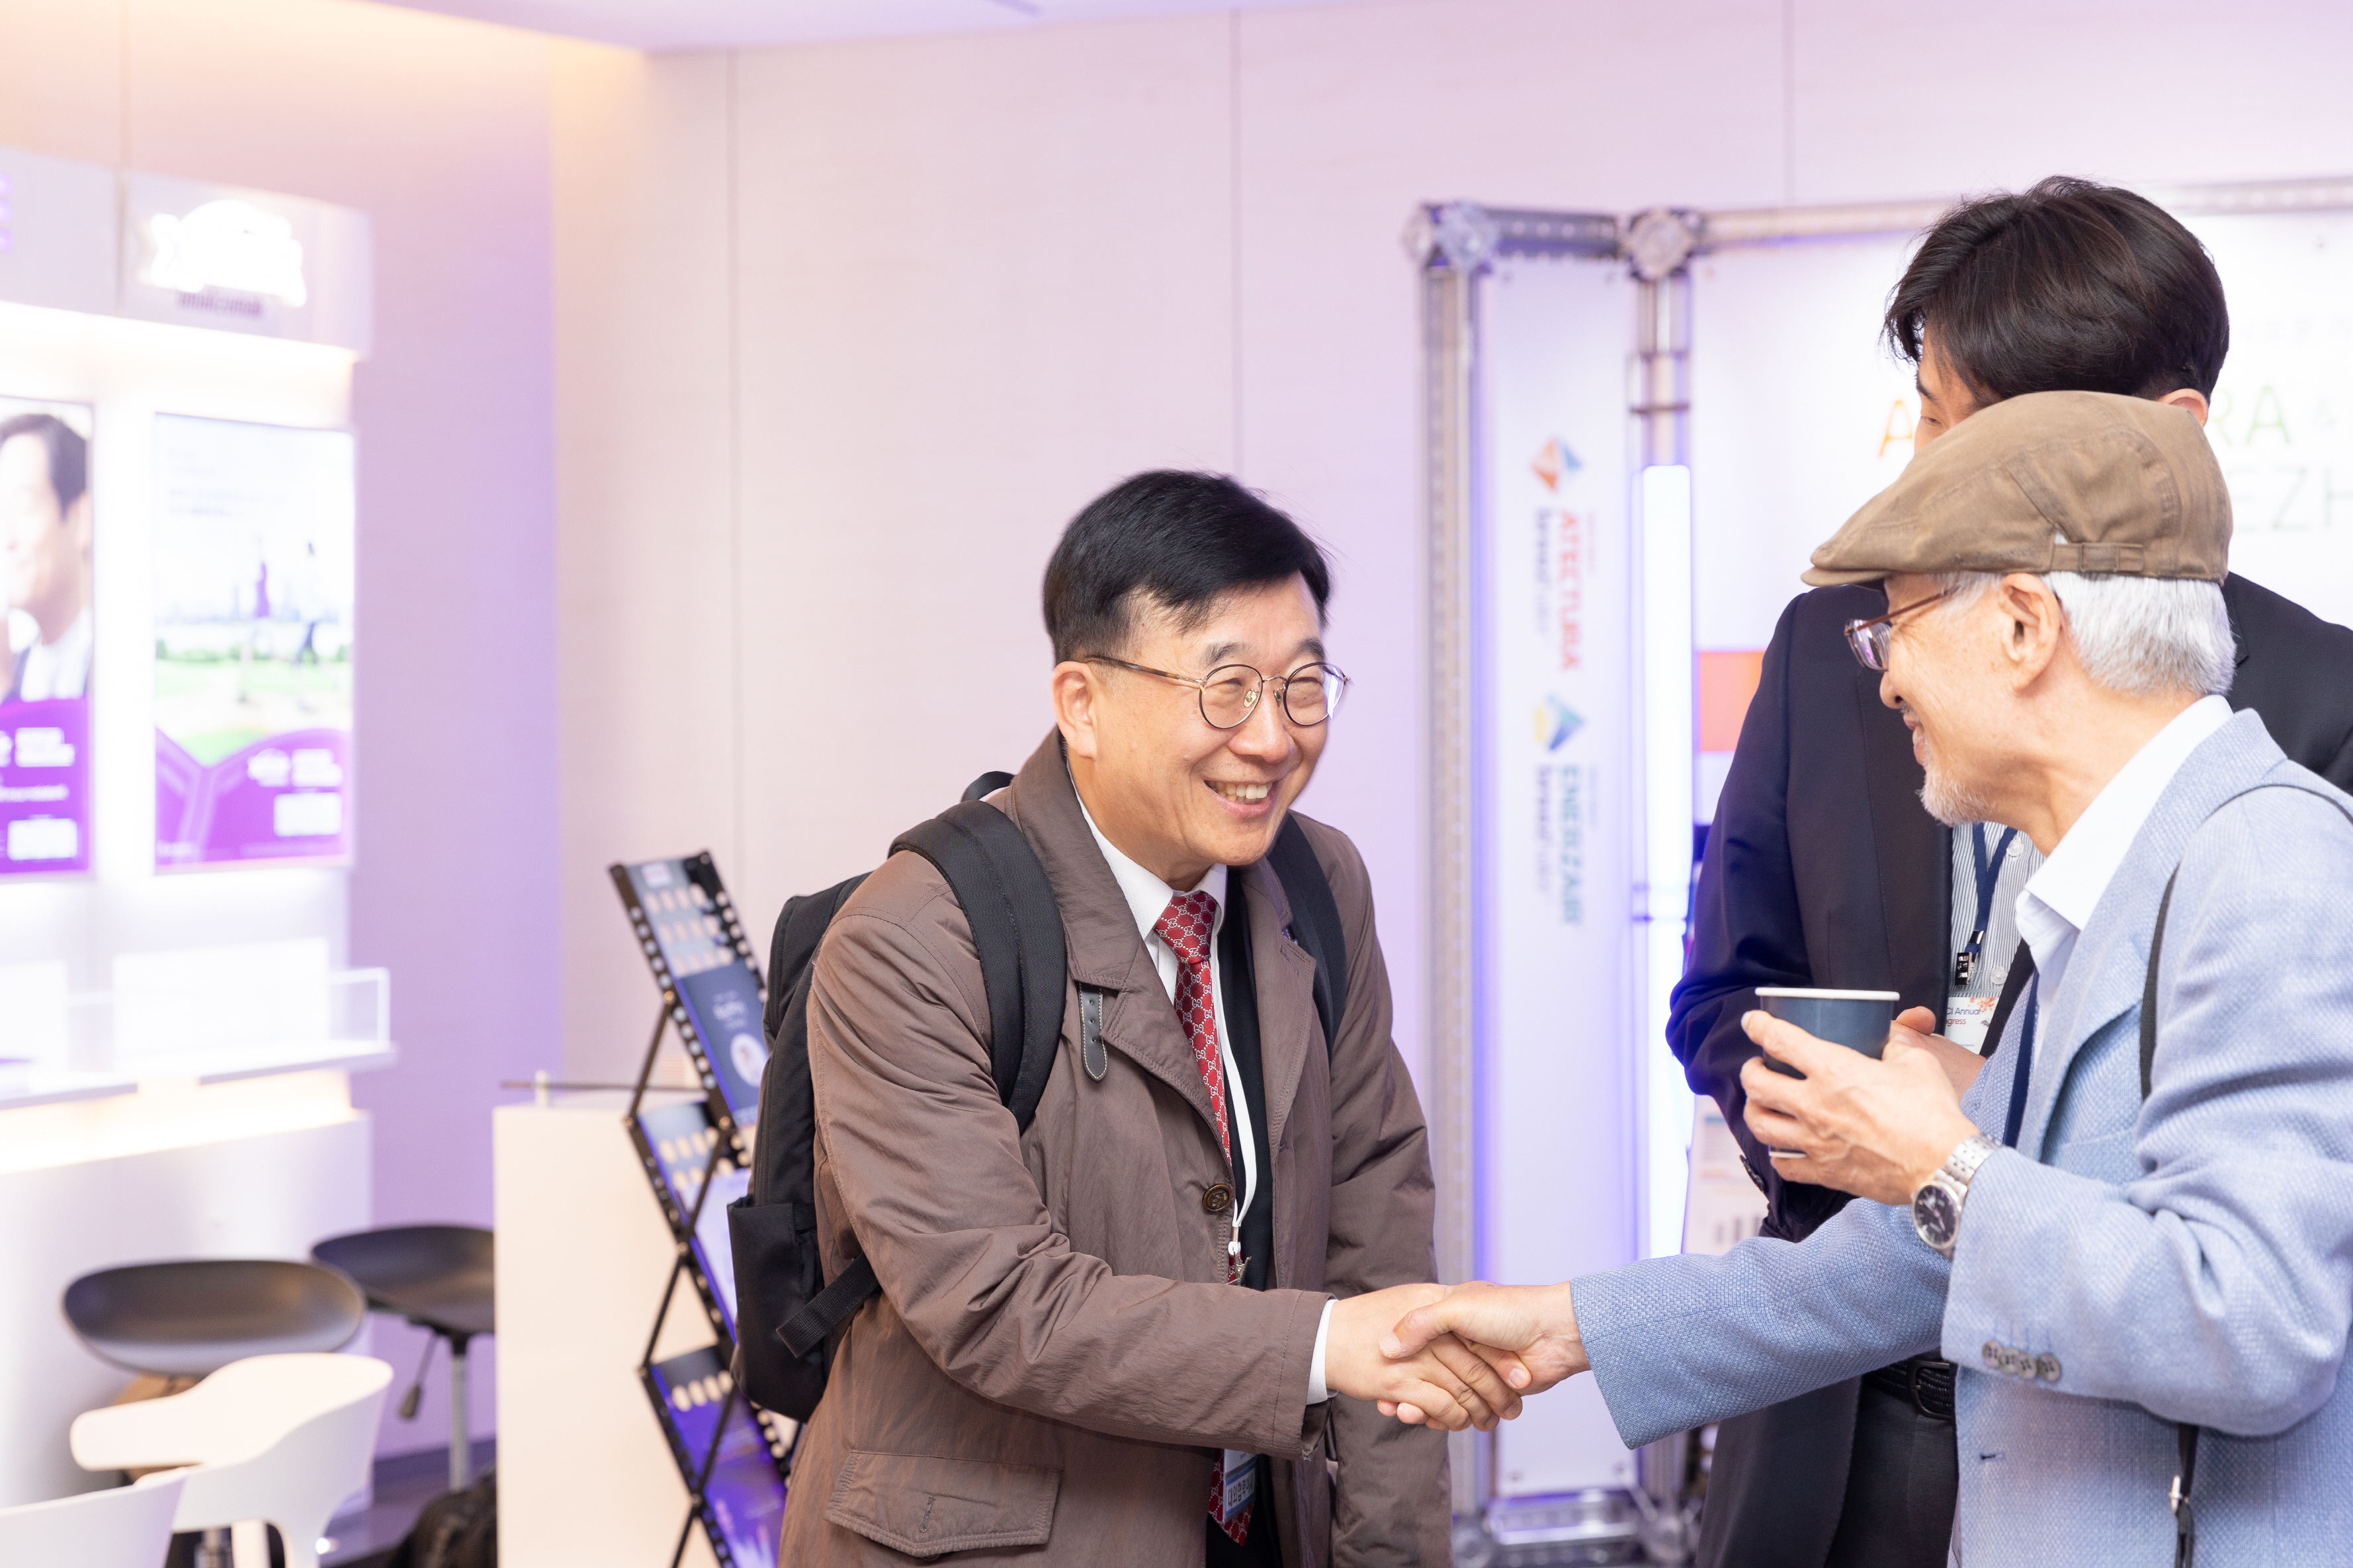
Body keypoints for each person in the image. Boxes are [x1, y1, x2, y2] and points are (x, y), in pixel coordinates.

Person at [1381, 390, 2353, 1563]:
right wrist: (1572, 1326)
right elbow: (1916, 1259)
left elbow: (2253, 1324)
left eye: (1896, 627)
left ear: (2023, 627)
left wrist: (1940, 1161)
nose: (1885, 681)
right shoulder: (2113, 880)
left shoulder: (2267, 861)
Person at [1665, 179, 2353, 1568]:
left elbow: (2261, 1286)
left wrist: (1955, 1146)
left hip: (2127, 1460)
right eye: (1928, 420)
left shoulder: (2294, 760)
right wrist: (1831, 1120)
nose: (1930, 477)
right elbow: (1725, 990)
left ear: (2167, 436)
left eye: (1983, 436)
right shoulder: (1834, 652)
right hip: (1840, 1420)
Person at [777, 471, 1514, 1567]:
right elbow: (996, 1301)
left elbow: (1377, 1239)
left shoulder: (1317, 885)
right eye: (1226, 688)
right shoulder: (915, 936)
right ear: (1082, 701)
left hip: (1259, 1522)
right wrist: (1325, 1344)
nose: (1271, 738)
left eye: (1302, 685)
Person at [0, 412, 93, 704]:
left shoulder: (122, 666)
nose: (6, 538)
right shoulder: (17, 669)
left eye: (24, 505)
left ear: (81, 518)